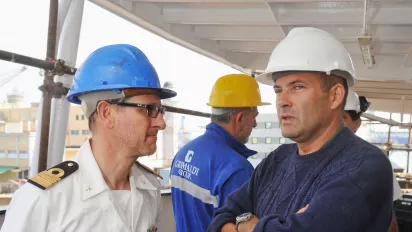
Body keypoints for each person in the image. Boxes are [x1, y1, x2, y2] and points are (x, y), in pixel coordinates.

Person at [207, 27, 394, 232]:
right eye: (279, 90)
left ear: (334, 96)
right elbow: (219, 218)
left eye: (297, 87)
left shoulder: (365, 166)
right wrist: (258, 226)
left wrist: (244, 225)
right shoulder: (277, 160)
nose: (283, 102)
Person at [1, 44, 176, 232]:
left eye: (160, 111)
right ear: (106, 112)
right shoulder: (42, 199)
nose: (161, 123)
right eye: (149, 110)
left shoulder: (150, 187)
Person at [170, 74, 270, 232]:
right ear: (240, 118)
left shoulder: (183, 153)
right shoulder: (236, 169)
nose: (255, 124)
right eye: (254, 117)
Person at [343, 88, 403, 232]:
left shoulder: (373, 162)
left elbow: (388, 219)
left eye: (341, 118)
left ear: (356, 124)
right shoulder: (301, 157)